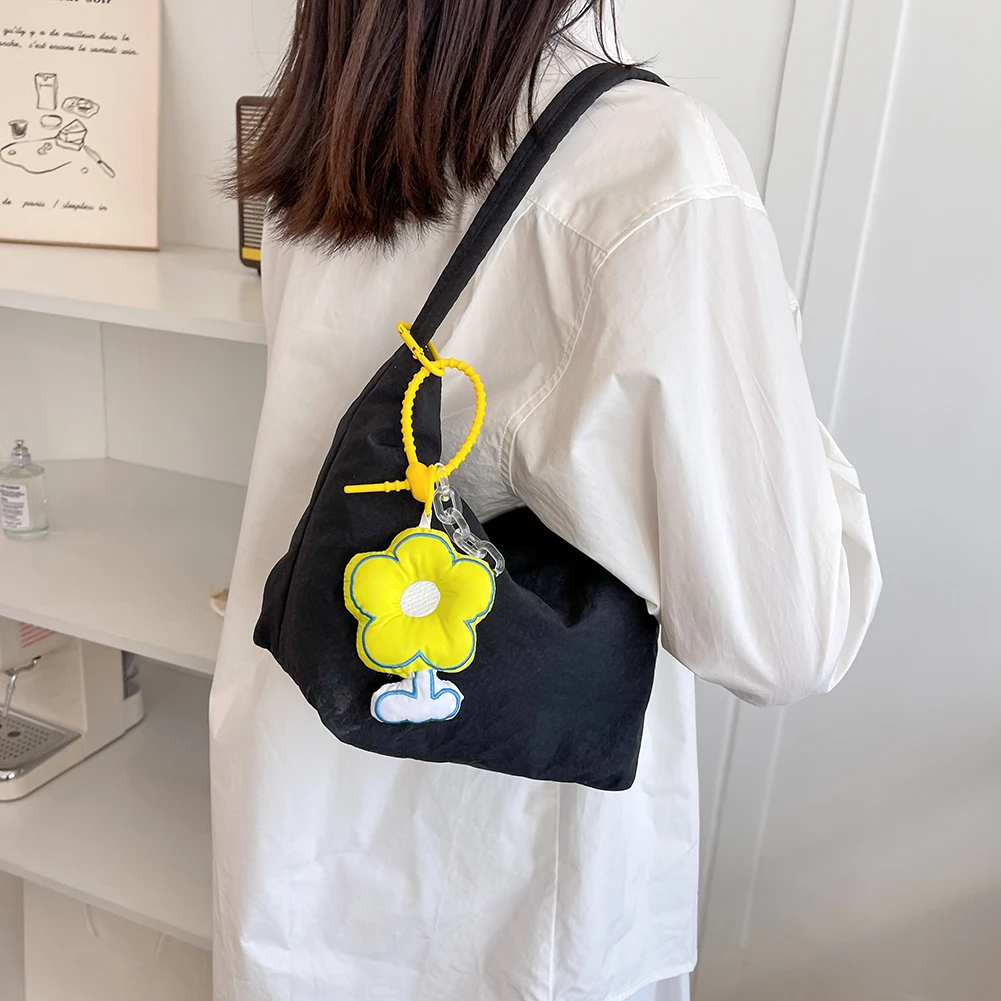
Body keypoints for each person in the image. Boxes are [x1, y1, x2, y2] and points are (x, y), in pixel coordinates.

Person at [209, 2, 882, 1000]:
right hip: (509, 897)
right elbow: (787, 635)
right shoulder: (648, 167)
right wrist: (759, 368)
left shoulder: (332, 129)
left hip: (300, 814)